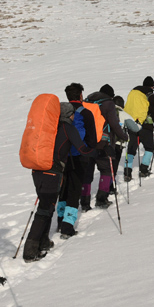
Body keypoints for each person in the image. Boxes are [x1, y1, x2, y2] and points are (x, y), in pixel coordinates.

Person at [22, 102, 94, 262]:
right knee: (44, 210)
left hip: (37, 170)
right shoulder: (68, 128)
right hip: (52, 172)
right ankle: (30, 251)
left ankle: (43, 242)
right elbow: (82, 149)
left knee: (47, 207)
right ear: (69, 115)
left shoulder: (50, 128)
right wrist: (100, 150)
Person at [58, 83, 96, 237]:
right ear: (80, 95)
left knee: (63, 189)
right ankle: (68, 226)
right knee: (74, 191)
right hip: (80, 156)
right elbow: (92, 139)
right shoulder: (86, 113)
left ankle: (60, 220)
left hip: (62, 157)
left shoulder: (61, 114)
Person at [123, 76, 154, 180]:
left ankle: (127, 172)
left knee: (131, 148)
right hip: (145, 126)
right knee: (149, 148)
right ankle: (143, 170)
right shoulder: (151, 96)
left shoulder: (133, 92)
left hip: (131, 123)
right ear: (152, 86)